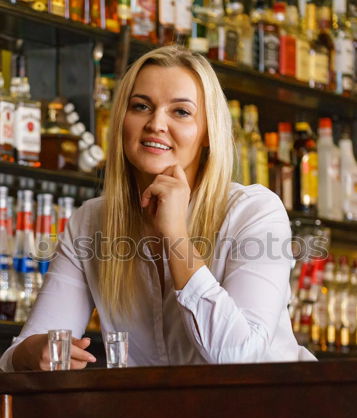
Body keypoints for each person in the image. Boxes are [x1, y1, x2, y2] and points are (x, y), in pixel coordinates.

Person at [0, 45, 316, 371]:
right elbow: (17, 357)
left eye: (180, 111)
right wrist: (31, 353)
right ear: (122, 120)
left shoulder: (254, 212)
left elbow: (238, 355)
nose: (156, 123)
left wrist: (176, 234)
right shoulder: (91, 222)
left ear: (208, 132)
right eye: (141, 106)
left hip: (271, 415)